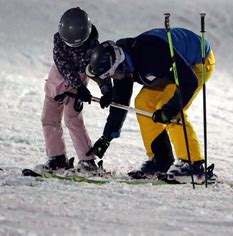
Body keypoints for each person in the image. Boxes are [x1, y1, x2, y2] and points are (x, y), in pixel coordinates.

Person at [85, 27, 215, 183]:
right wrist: (107, 137)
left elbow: (189, 82)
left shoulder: (153, 55)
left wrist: (170, 110)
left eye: (112, 75)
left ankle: (194, 165)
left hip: (197, 63)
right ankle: (160, 160)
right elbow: (121, 103)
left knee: (167, 107)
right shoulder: (124, 63)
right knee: (143, 102)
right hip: (170, 71)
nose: (113, 78)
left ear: (119, 66)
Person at [37, 7, 100, 174]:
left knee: (73, 120)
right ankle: (57, 158)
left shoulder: (93, 47)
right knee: (48, 119)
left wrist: (106, 88)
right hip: (57, 83)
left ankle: (88, 161)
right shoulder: (58, 41)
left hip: (75, 86)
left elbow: (98, 69)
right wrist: (79, 87)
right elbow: (63, 65)